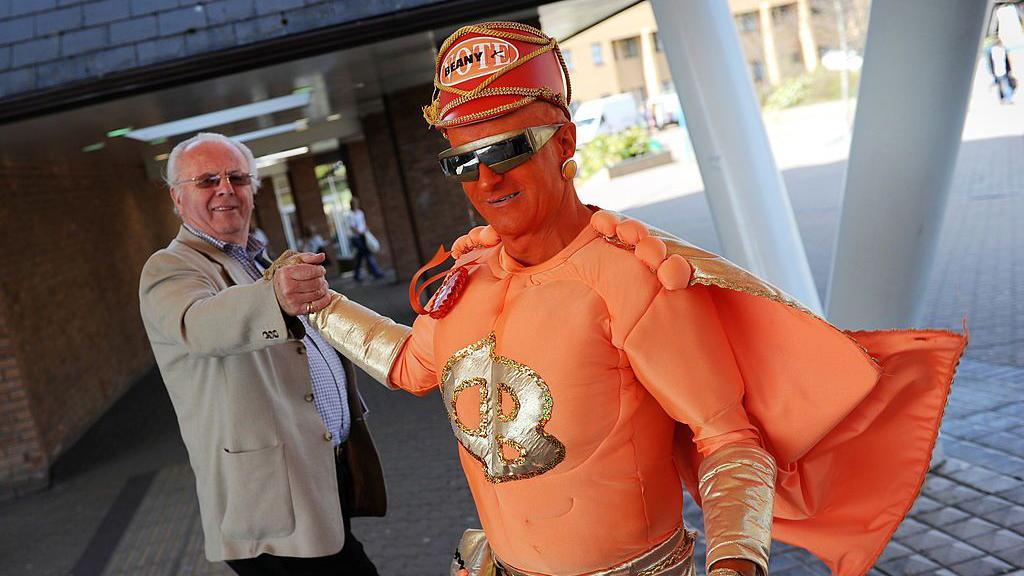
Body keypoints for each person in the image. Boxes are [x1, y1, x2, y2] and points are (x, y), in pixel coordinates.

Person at [268, 22, 965, 576]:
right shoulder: (471, 277)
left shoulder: (631, 278)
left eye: (508, 148)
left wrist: (734, 562)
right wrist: (321, 304)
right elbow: (413, 367)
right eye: (462, 161)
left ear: (563, 141)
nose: (486, 179)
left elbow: (729, 438)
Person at [139, 132, 385, 576]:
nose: (225, 189)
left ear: (253, 188)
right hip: (270, 504)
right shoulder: (171, 267)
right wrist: (275, 295)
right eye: (207, 180)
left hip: (320, 475)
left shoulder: (255, 257)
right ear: (177, 197)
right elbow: (199, 323)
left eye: (236, 177)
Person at [346, 197, 384, 282]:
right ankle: (375, 272)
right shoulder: (350, 215)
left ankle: (356, 275)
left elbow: (363, 223)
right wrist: (359, 232)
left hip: (363, 235)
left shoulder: (360, 213)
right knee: (367, 253)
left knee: (360, 256)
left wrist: (366, 230)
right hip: (356, 237)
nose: (355, 205)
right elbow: (352, 227)